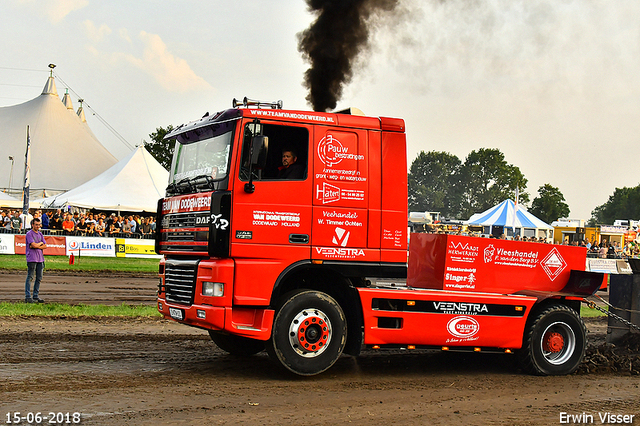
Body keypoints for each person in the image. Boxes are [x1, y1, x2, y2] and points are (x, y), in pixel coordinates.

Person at [25, 217, 47, 303]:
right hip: (32, 258)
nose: (38, 226)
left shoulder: (40, 234)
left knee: (39, 278)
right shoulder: (29, 234)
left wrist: (38, 244)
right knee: (30, 277)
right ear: (32, 225)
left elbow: (45, 245)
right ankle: (28, 296)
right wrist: (39, 244)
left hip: (40, 258)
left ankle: (35, 296)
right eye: (36, 225)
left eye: (39, 225)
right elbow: (32, 245)